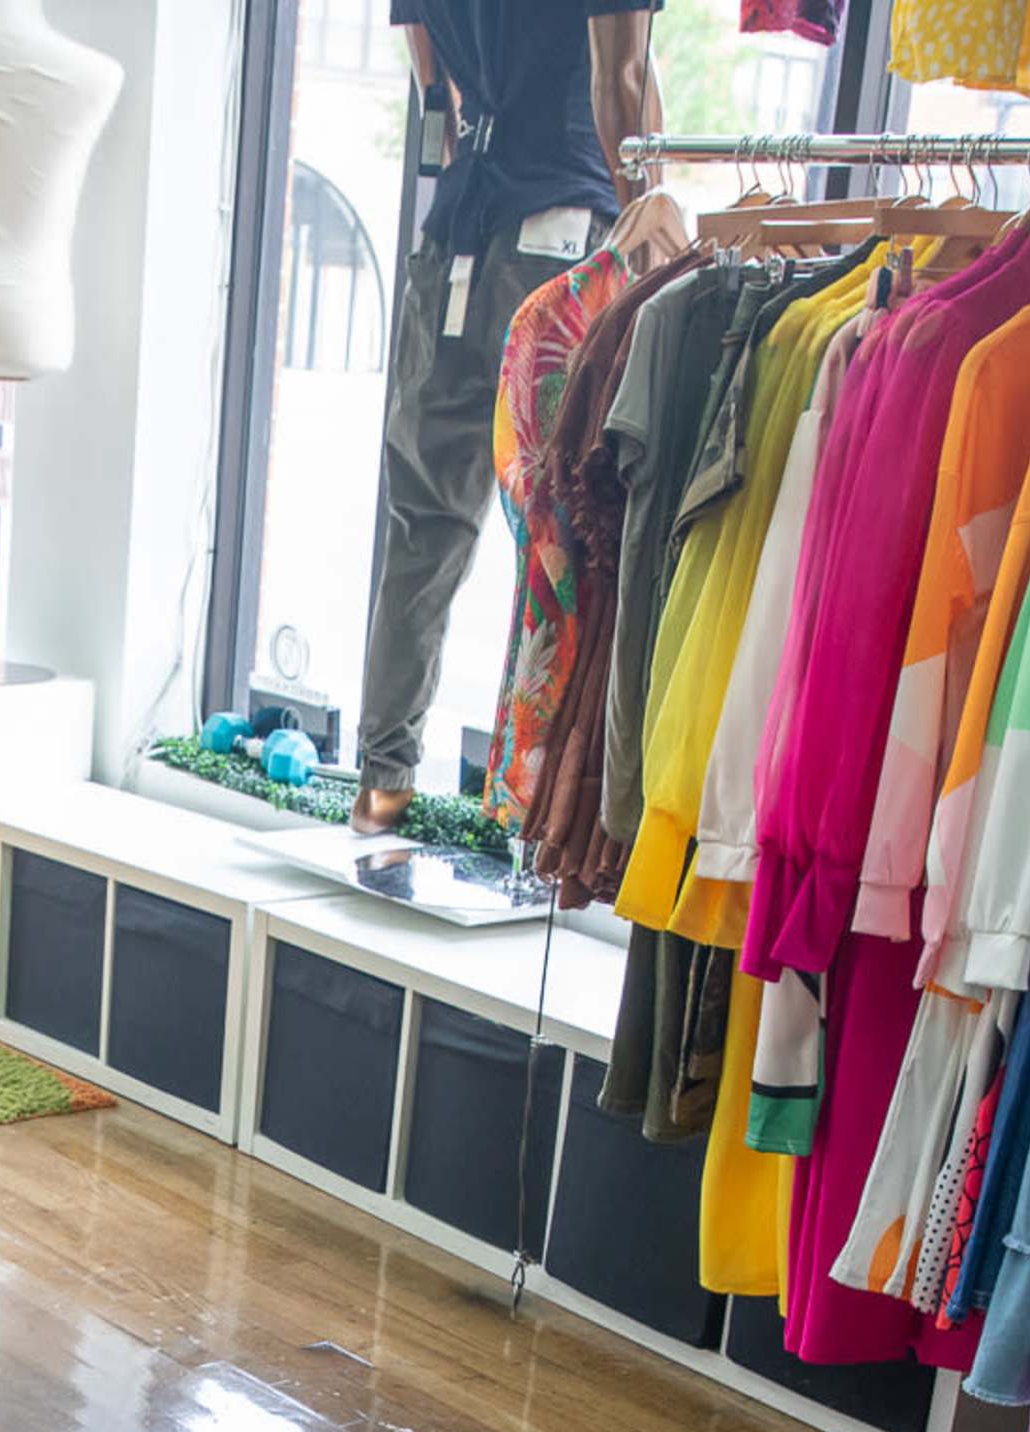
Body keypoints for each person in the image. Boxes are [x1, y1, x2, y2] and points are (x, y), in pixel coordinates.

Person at [352, 0, 683, 835]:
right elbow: (625, 78)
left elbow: (433, 80)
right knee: (567, 532)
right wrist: (654, 220)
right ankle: (551, 816)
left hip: (459, 231)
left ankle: (382, 782)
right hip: (564, 229)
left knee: (424, 516)